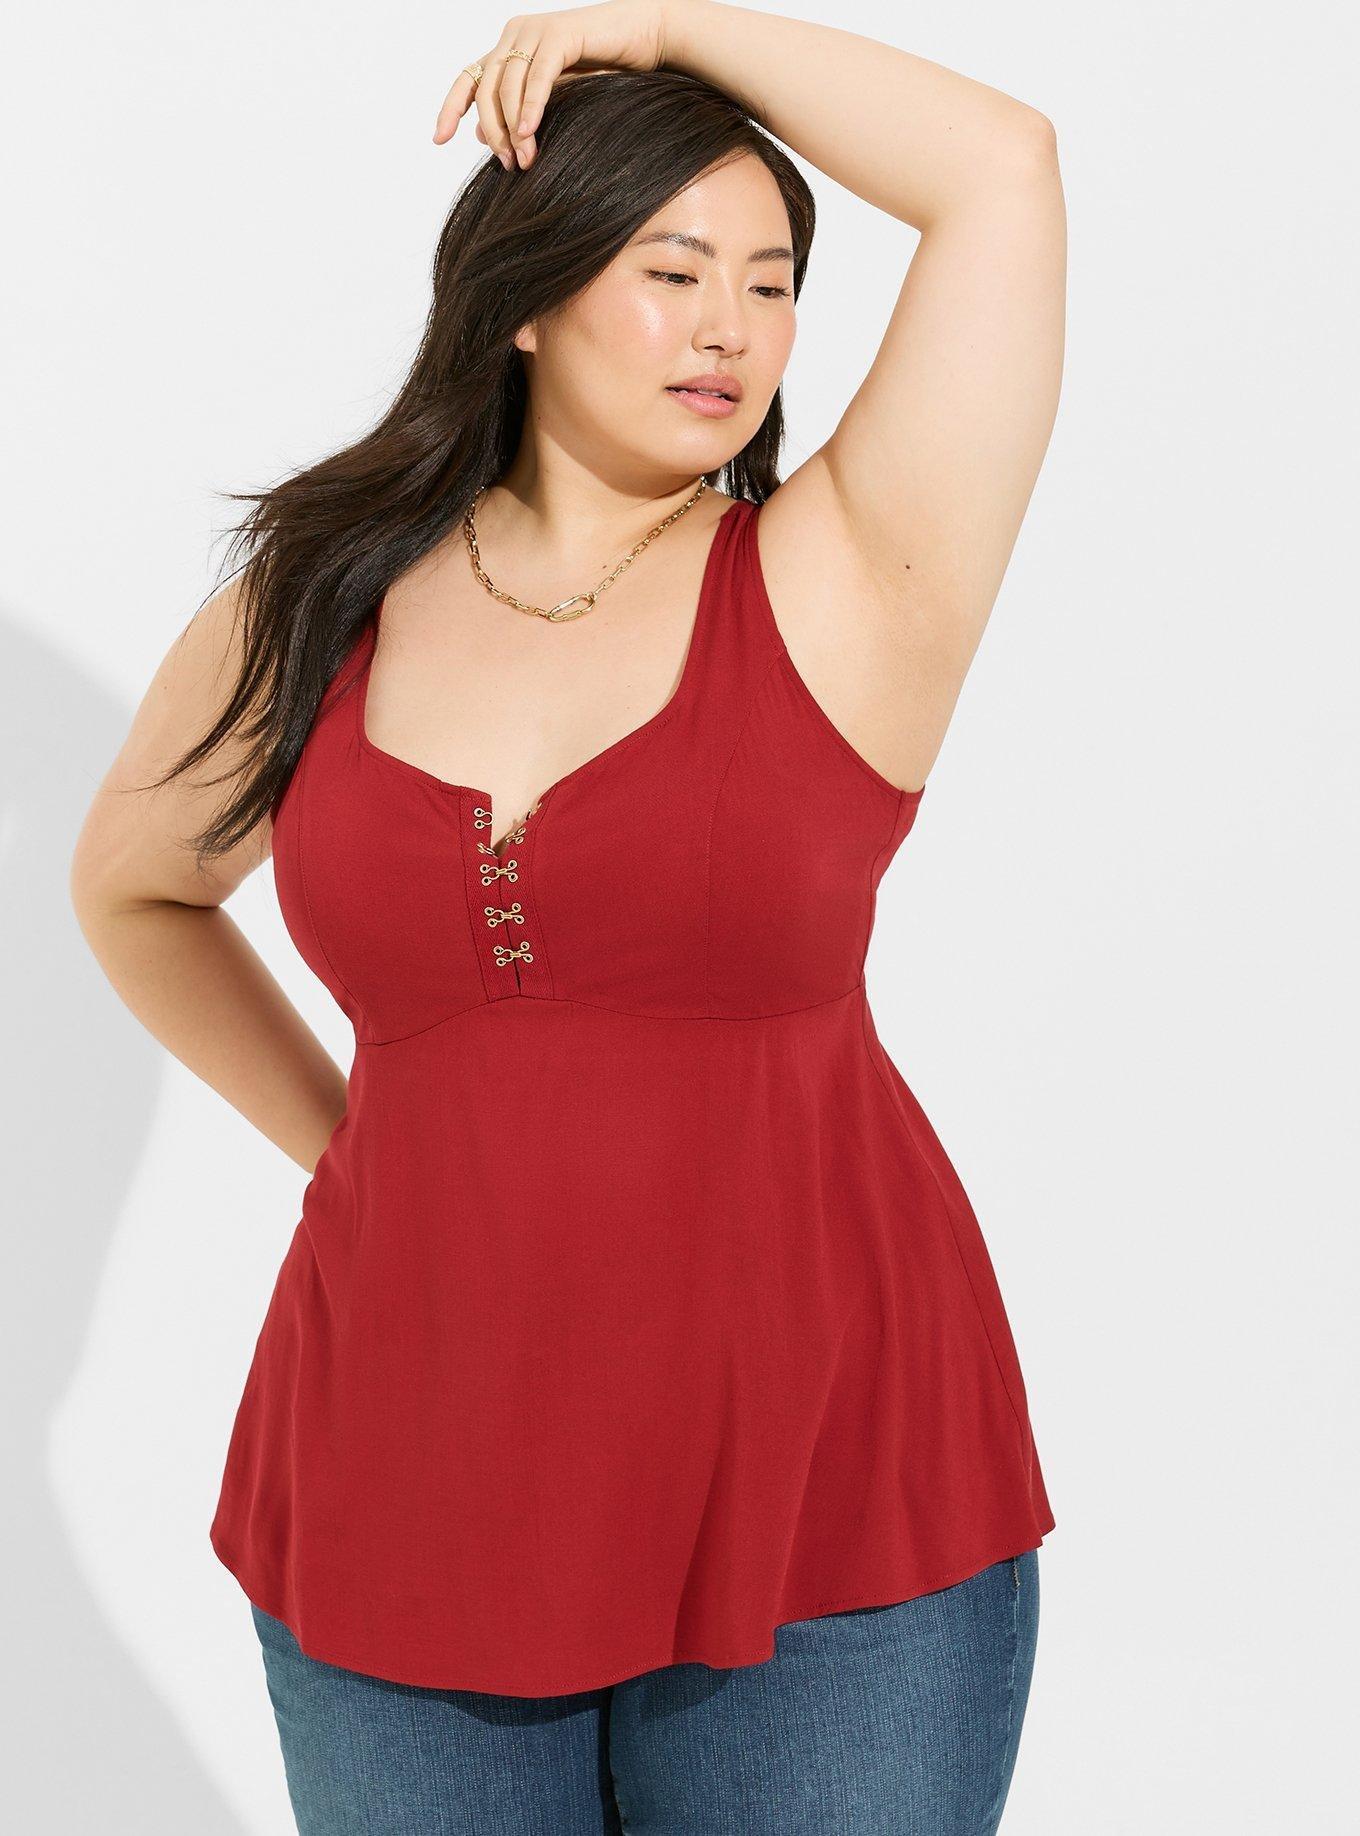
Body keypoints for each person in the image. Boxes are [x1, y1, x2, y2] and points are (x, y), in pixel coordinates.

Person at [69, 2, 1066, 1829]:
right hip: (404, 1469)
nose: (728, 328)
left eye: (771, 284)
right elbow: (135, 890)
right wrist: (352, 1145)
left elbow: (1002, 168)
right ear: (523, 296)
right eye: (670, 270)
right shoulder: (316, 598)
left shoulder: (849, 576)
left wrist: (665, 19)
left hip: (830, 1496)